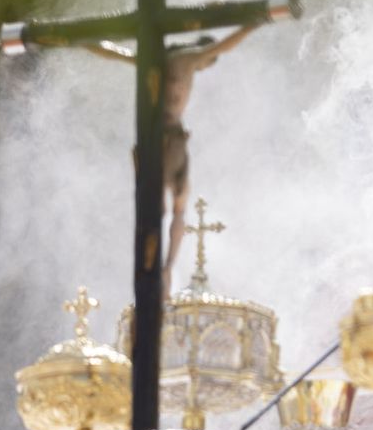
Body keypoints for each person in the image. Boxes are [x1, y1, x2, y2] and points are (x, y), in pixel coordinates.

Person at [83, 26, 262, 295]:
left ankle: (163, 267)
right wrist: (255, 24)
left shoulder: (154, 59)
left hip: (169, 137)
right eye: (206, 65)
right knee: (163, 207)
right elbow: (225, 45)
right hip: (164, 138)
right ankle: (160, 269)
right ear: (204, 57)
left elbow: (112, 52)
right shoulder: (190, 59)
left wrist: (82, 38)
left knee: (172, 203)